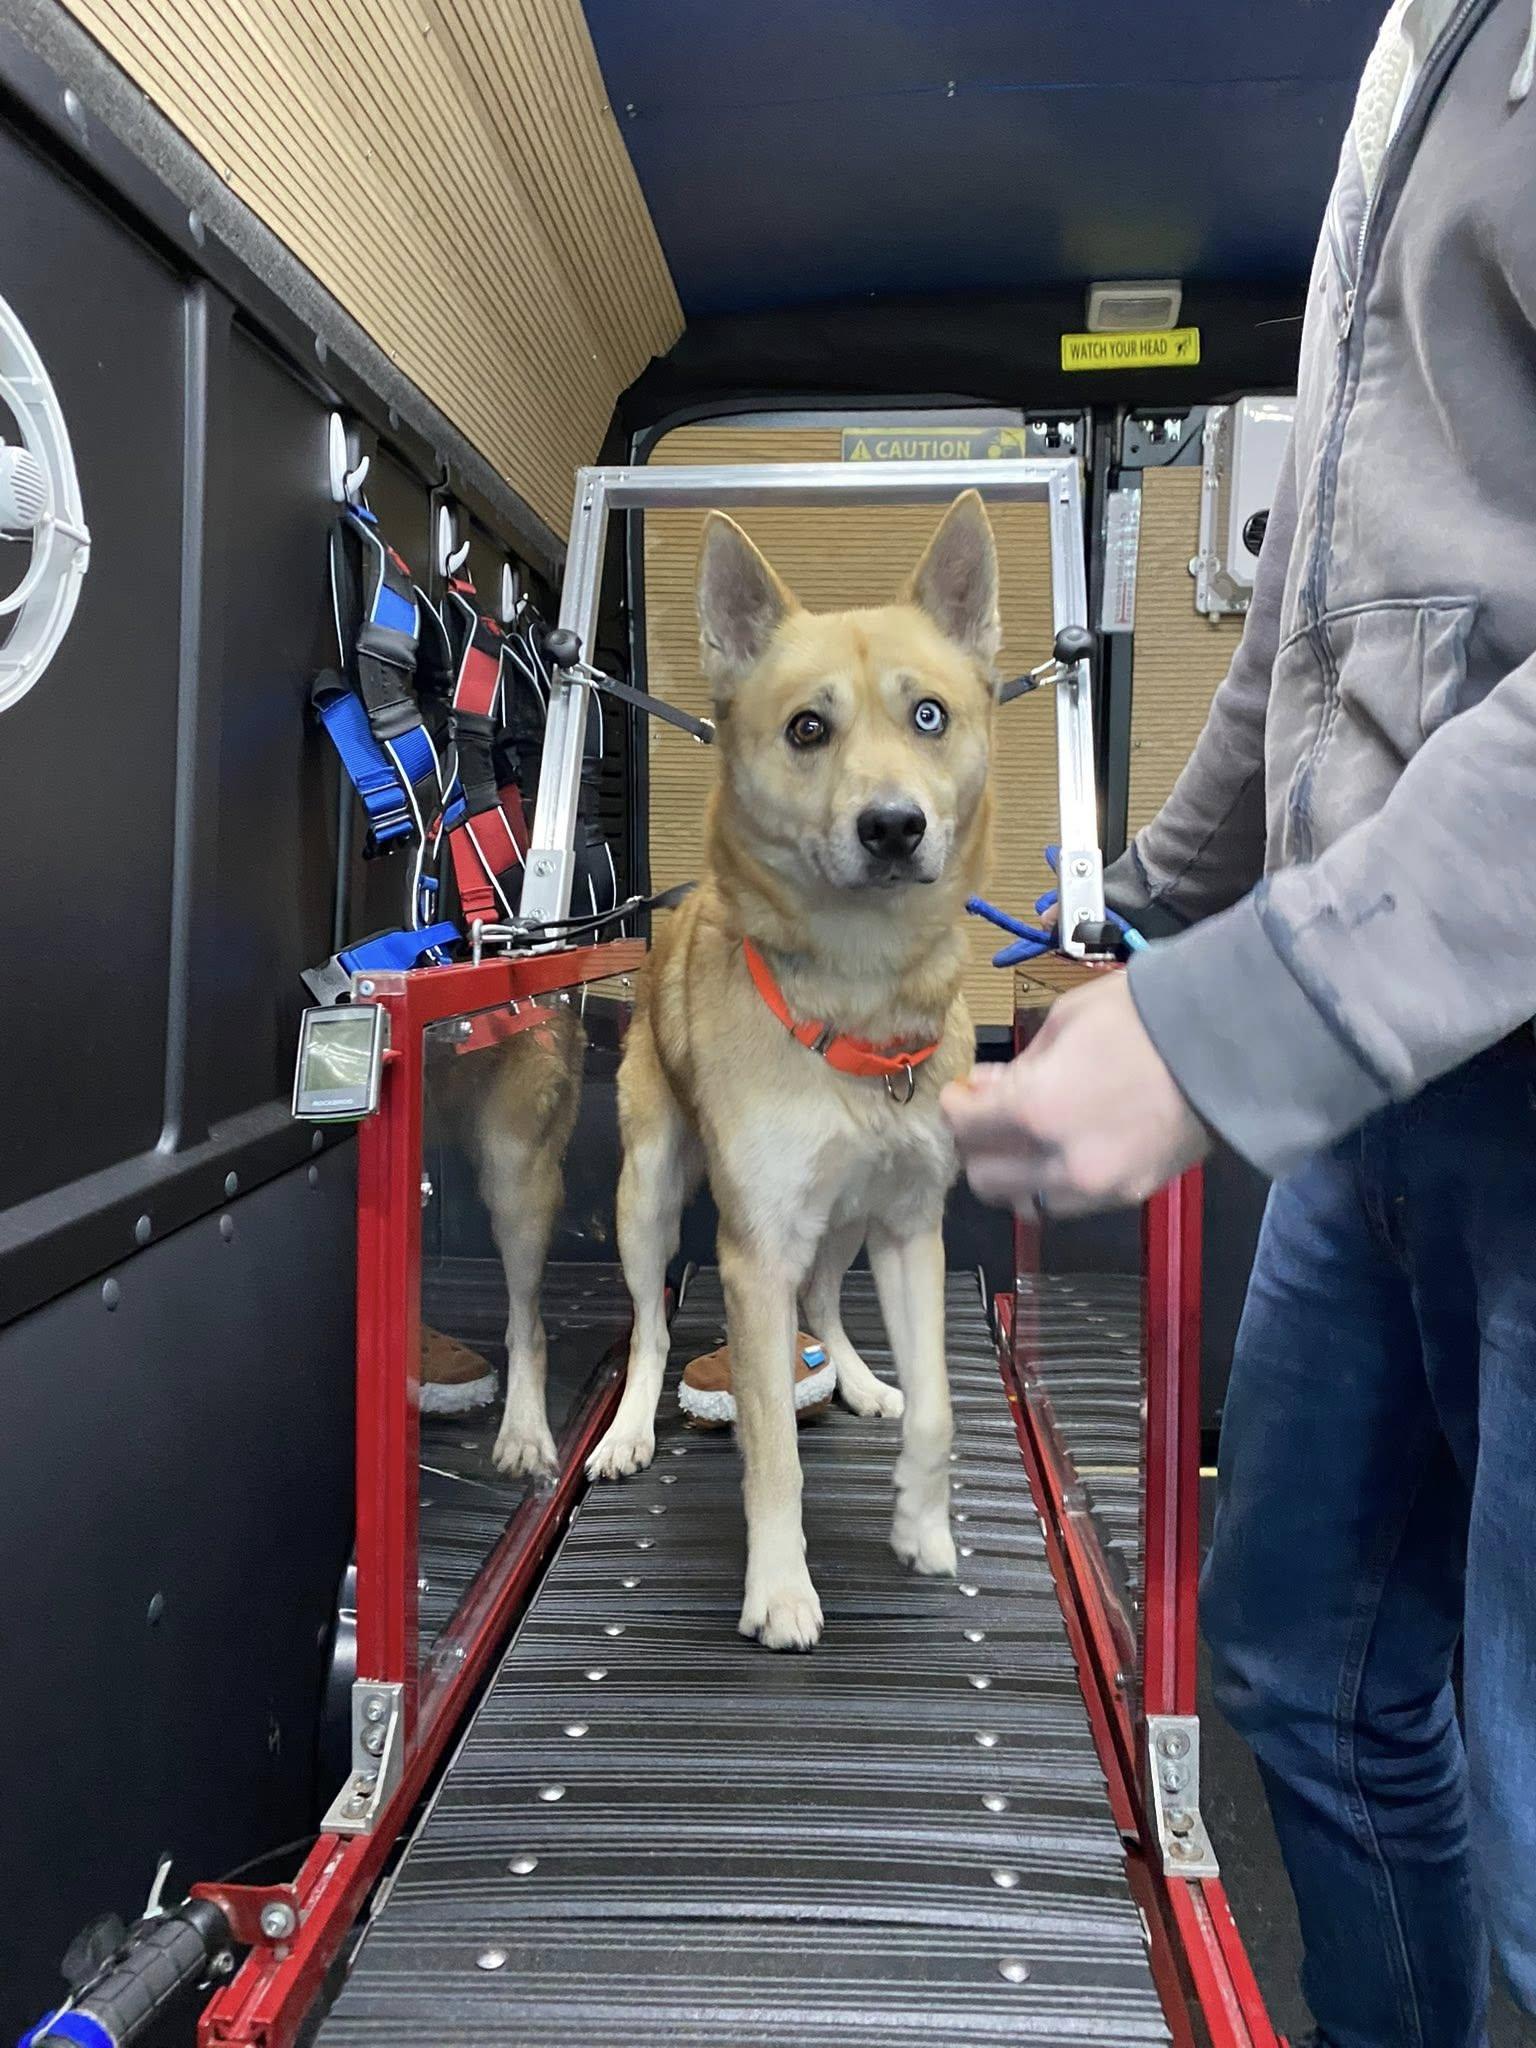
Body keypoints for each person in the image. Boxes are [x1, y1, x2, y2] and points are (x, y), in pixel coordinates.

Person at [941, 4, 1536, 2044]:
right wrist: (1142, 926)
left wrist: (1239, 1020)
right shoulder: (1419, 45)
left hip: (1481, 1034)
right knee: (1311, 1669)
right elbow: (1317, 625)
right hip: (1381, 1083)